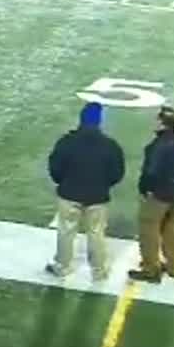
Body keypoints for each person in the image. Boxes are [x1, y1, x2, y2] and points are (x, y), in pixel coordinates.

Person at [47, 102, 124, 280]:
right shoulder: (110, 145)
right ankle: (99, 271)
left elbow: (55, 168)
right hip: (98, 196)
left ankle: (62, 266)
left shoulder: (66, 142)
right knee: (96, 233)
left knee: (66, 231)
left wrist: (63, 182)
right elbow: (117, 173)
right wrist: (104, 185)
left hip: (69, 193)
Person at [130, 105, 174, 283]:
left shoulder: (156, 146)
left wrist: (144, 189)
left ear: (162, 124)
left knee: (149, 229)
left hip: (158, 195)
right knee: (172, 228)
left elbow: (150, 172)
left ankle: (151, 269)